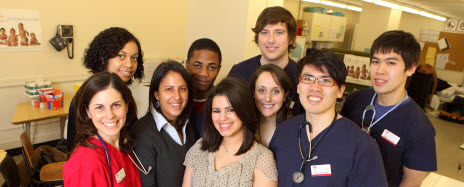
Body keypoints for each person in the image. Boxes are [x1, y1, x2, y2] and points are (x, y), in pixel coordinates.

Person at [269, 49, 387, 186]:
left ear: (341, 90)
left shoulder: (361, 146)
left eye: (325, 80)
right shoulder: (283, 132)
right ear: (298, 86)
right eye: (308, 79)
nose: (315, 87)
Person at [340, 30, 437, 187]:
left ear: (411, 68)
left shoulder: (419, 127)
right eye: (376, 61)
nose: (380, 71)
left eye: (391, 63)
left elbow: (411, 182)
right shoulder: (356, 100)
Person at [182, 77, 277, 187]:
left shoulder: (262, 158)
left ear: (244, 110)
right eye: (216, 111)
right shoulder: (199, 147)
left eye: (230, 110)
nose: (222, 118)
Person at [67, 27, 145, 154]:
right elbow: (73, 149)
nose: (129, 64)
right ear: (103, 58)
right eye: (121, 56)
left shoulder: (124, 92)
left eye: (134, 58)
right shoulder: (84, 97)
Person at [63, 72, 142, 186]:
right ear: (87, 112)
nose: (110, 115)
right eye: (99, 107)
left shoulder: (125, 146)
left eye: (116, 105)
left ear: (126, 106)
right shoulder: (85, 163)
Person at [129, 61, 196, 187]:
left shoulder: (188, 126)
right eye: (169, 89)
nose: (177, 97)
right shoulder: (142, 134)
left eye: (182, 89)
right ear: (156, 94)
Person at [227, 6, 303, 116]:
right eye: (264, 32)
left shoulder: (301, 78)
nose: (271, 40)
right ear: (257, 37)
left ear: (291, 38)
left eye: (279, 32)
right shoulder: (239, 72)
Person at [185, 38, 222, 137]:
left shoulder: (224, 103)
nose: (204, 74)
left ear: (219, 69)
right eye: (197, 66)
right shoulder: (177, 100)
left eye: (211, 68)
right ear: (187, 64)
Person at [249, 64, 293, 147]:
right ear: (253, 92)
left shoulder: (294, 131)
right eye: (262, 90)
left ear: (285, 95)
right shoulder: (243, 126)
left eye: (276, 91)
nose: (268, 99)